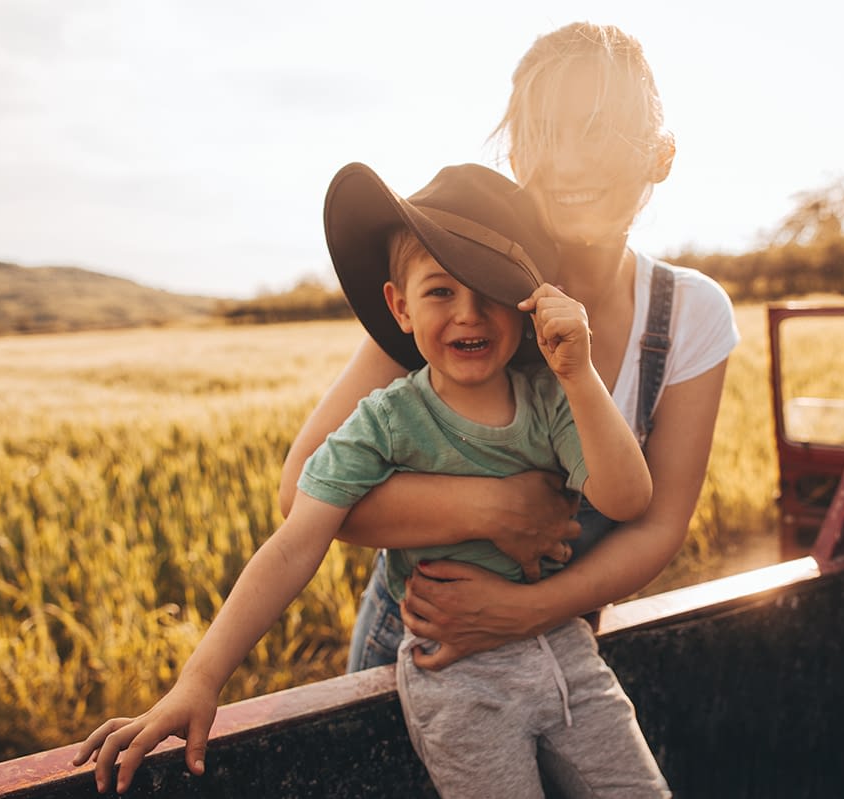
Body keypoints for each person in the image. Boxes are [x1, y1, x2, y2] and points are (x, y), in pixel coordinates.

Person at [72, 161, 671, 797]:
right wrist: (199, 681)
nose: (468, 313)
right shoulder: (384, 424)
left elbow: (628, 498)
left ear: (526, 307)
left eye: (491, 292)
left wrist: (580, 376)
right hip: (457, 680)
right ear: (399, 306)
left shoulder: (552, 400)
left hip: (570, 656)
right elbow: (295, 542)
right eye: (441, 291)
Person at [277, 22, 739, 674]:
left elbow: (659, 524)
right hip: (416, 649)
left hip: (561, 649)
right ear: (516, 161)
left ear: (659, 156)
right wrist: (493, 506)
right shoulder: (458, 303)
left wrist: (524, 611)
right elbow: (302, 490)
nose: (571, 162)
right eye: (546, 136)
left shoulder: (690, 314)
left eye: (599, 130)